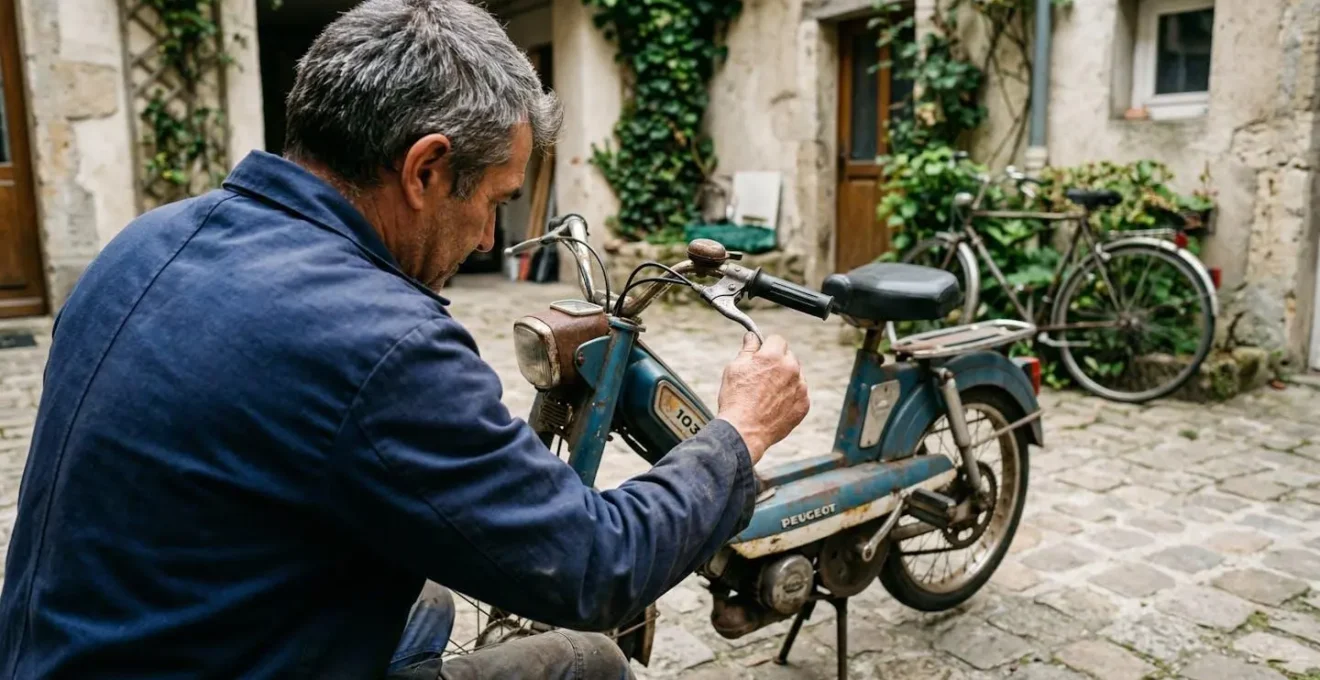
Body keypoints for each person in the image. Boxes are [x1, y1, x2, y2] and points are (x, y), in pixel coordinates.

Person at [0, 0, 811, 678]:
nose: (492, 238)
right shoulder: (382, 341)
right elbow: (594, 566)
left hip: (64, 650)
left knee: (422, 600)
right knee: (587, 659)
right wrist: (738, 434)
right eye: (494, 199)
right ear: (424, 170)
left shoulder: (145, 239)